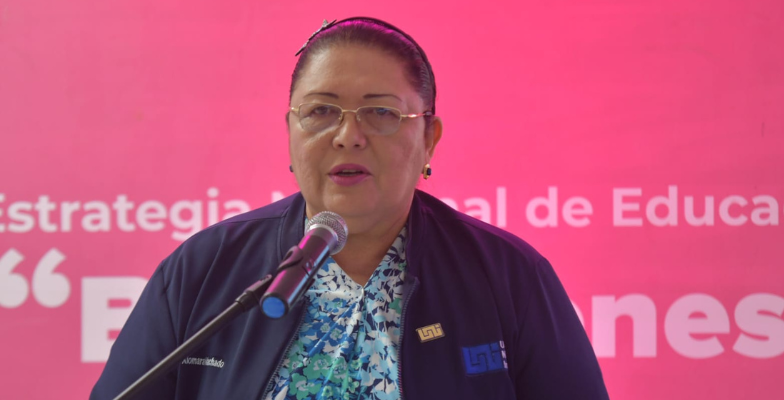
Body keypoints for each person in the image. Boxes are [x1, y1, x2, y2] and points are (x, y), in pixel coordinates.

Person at [91, 17, 608, 400]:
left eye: (380, 112)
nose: (347, 136)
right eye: (321, 111)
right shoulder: (203, 269)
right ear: (290, 132)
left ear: (428, 139)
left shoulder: (509, 276)